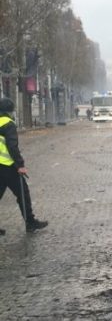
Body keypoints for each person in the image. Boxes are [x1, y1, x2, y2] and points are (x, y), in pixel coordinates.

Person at [0, 97, 48, 234]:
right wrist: (20, 165)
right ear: (10, 111)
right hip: (8, 166)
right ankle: (30, 223)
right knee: (23, 193)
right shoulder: (8, 124)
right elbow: (12, 146)